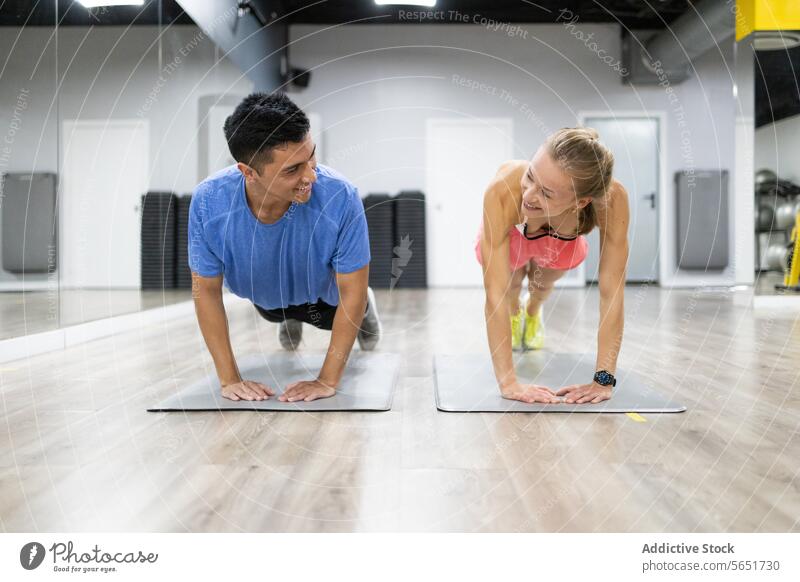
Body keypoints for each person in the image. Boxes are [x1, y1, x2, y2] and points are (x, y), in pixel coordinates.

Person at [189, 92, 381, 403]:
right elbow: (206, 291)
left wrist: (326, 379)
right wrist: (229, 379)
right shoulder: (209, 202)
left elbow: (350, 294)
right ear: (248, 173)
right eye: (292, 170)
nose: (311, 176)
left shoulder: (341, 197)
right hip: (268, 300)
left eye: (311, 157)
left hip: (326, 301)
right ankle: (289, 316)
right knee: (275, 313)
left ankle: (369, 307)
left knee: (353, 308)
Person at [475, 127, 629, 404]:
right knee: (509, 289)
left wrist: (603, 380)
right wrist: (509, 383)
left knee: (542, 285)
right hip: (511, 236)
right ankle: (517, 311)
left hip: (562, 241)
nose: (529, 195)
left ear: (581, 202)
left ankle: (532, 311)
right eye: (530, 176)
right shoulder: (502, 191)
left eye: (545, 193)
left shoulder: (611, 200)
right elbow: (493, 293)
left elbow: (612, 294)